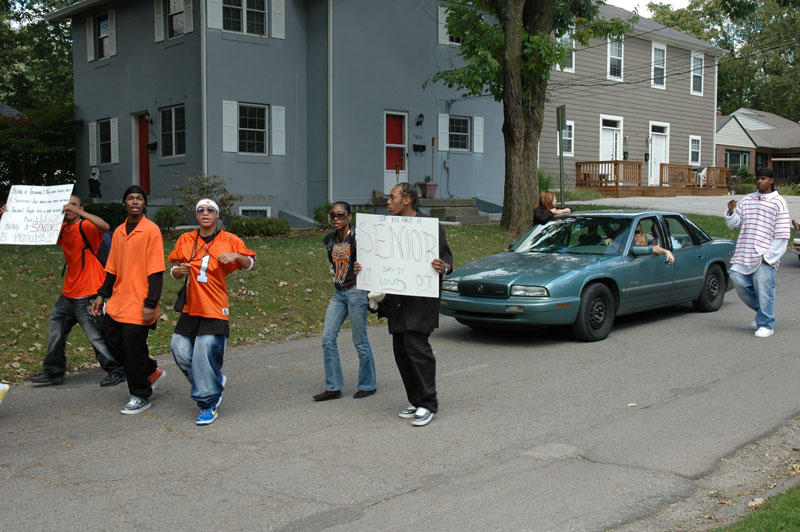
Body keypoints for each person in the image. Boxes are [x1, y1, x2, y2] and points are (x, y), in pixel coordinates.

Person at [2, 197, 125, 386]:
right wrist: (11, 215)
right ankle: (53, 372)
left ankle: (117, 370)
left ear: (81, 208)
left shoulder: (86, 226)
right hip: (68, 293)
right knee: (56, 330)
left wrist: (80, 213)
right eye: (65, 205)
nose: (68, 208)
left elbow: (104, 226)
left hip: (89, 292)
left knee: (96, 335)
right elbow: (31, 227)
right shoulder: (64, 229)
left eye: (73, 205)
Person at [168, 198, 257, 425]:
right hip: (190, 305)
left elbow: (251, 263)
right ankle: (213, 381)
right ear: (196, 216)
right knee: (178, 348)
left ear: (217, 216)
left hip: (215, 305)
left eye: (210, 210)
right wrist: (179, 271)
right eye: (200, 210)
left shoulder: (229, 239)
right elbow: (174, 270)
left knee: (205, 350)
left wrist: (237, 257)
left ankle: (208, 402)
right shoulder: (186, 239)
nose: (205, 213)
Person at [376, 182, 453, 427]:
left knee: (417, 350)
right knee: (401, 352)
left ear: (407, 200)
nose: (388, 202)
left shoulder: (429, 226)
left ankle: (428, 404)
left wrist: (444, 266)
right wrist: (364, 269)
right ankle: (415, 399)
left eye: (392, 197)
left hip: (420, 299)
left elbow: (447, 257)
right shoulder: (388, 227)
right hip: (397, 299)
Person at [91, 186, 166, 414]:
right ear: (125, 202)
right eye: (130, 198)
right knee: (111, 339)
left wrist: (150, 304)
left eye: (139, 198)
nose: (135, 201)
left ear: (144, 204)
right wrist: (101, 295)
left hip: (141, 301)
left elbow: (156, 272)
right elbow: (111, 269)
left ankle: (140, 394)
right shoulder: (119, 232)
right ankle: (150, 369)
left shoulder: (151, 231)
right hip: (119, 301)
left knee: (132, 347)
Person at [313, 202, 376, 402]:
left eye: (340, 215)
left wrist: (364, 268)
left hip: (356, 291)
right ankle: (333, 387)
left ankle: (368, 384)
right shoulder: (330, 240)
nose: (335, 219)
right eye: (332, 215)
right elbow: (334, 264)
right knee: (327, 337)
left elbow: (375, 261)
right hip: (339, 293)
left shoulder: (360, 238)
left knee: (359, 340)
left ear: (349, 217)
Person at [724, 167, 790, 338]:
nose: (760, 182)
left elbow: (782, 233)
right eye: (758, 179)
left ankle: (767, 325)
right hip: (744, 251)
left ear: (771, 180)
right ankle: (762, 314)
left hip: (764, 255)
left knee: (763, 288)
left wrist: (769, 257)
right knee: (736, 279)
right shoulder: (748, 199)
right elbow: (734, 224)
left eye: (763, 178)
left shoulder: (778, 202)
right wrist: (731, 212)